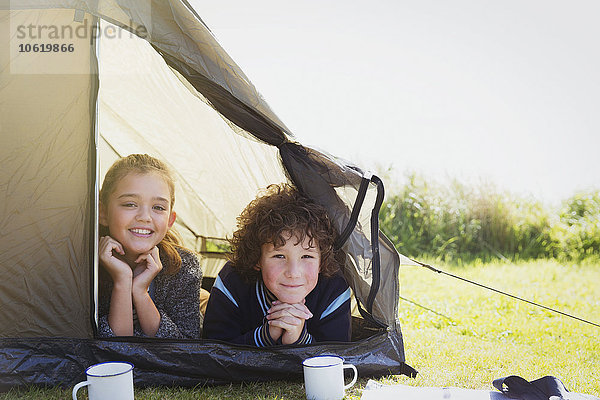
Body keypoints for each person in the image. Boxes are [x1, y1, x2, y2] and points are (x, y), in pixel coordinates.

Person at [203, 184, 351, 346]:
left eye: (307, 256)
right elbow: (213, 353)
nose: (293, 273)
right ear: (257, 259)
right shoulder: (232, 280)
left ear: (322, 261)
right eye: (279, 256)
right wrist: (267, 334)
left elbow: (336, 360)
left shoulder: (333, 288)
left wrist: (298, 339)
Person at [97, 154, 203, 338]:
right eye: (130, 204)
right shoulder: (83, 264)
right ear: (103, 212)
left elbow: (186, 348)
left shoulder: (183, 266)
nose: (145, 217)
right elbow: (113, 350)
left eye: (158, 208)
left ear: (170, 220)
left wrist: (140, 293)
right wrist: (122, 281)